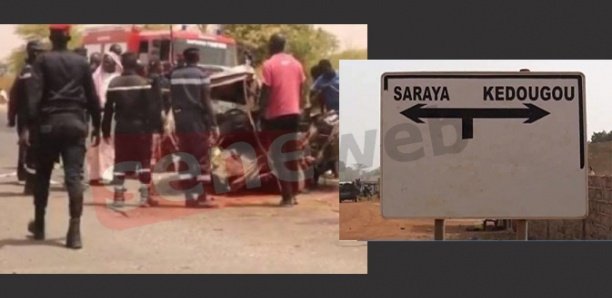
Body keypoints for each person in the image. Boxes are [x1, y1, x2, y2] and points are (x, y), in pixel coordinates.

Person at [23, 24, 101, 249]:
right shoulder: (81, 62)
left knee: (43, 176)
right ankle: (74, 232)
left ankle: (39, 226)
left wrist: (29, 126)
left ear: (51, 37)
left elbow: (33, 97)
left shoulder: (42, 61)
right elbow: (92, 97)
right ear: (68, 38)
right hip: (75, 123)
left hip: (48, 125)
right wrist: (97, 125)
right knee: (73, 177)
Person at [102, 52, 163, 207]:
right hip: (142, 129)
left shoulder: (114, 83)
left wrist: (105, 130)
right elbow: (153, 109)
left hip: (122, 128)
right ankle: (143, 197)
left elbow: (108, 109)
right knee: (144, 161)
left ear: (122, 64)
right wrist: (158, 128)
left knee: (120, 161)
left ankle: (118, 195)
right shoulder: (145, 82)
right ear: (136, 64)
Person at [259, 33, 306, 206]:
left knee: (279, 156)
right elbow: (302, 88)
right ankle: (294, 194)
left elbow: (266, 91)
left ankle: (286, 195)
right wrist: (299, 107)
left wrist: (260, 111)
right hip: (294, 114)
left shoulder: (268, 64)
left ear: (271, 45)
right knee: (291, 154)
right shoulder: (297, 64)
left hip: (275, 116)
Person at [170, 47, 219, 208]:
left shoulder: (175, 75)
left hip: (181, 120)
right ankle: (202, 196)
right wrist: (213, 124)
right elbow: (206, 101)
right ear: (197, 58)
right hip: (197, 121)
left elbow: (171, 98)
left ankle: (189, 197)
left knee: (185, 158)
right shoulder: (202, 75)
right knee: (201, 159)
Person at [8, 40, 45, 194]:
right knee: (29, 147)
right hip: (29, 116)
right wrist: (12, 116)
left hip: (34, 115)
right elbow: (15, 96)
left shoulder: (33, 70)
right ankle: (28, 180)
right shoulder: (29, 72)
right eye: (38, 51)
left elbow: (14, 95)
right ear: (32, 52)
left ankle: (26, 177)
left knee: (28, 147)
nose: (41, 53)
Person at [87, 51, 122, 185]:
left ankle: (110, 174)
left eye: (110, 60)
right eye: (105, 60)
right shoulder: (96, 77)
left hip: (114, 115)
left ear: (115, 62)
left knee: (110, 146)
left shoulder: (119, 78)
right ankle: (95, 175)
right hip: (98, 114)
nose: (107, 62)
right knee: (96, 146)